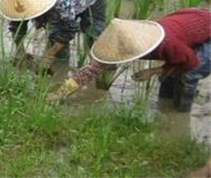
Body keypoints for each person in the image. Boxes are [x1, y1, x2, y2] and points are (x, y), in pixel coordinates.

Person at [47, 8, 211, 112]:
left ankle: (181, 114)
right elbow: (90, 70)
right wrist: (59, 93)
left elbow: (191, 62)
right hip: (190, 21)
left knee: (189, 74)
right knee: (168, 76)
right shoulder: (121, 43)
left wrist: (153, 71)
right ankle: (165, 110)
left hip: (204, 29)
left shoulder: (164, 43)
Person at [0, 0, 106, 73]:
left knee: (93, 34)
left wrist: (48, 55)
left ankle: (102, 68)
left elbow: (69, 29)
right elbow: (17, 25)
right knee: (55, 38)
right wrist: (20, 51)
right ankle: (60, 70)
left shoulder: (61, 2)